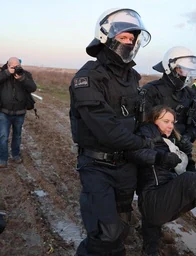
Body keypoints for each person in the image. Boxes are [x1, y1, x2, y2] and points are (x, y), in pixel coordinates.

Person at [69, 8, 154, 256]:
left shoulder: (132, 78)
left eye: (133, 39)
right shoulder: (87, 77)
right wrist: (145, 145)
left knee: (122, 231)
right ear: (106, 36)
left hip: (126, 167)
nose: (129, 42)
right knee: (105, 236)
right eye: (124, 37)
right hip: (97, 168)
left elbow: (143, 118)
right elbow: (106, 129)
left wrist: (151, 134)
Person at [127, 105, 196, 256]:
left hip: (159, 205)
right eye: (166, 121)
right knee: (188, 181)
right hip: (153, 200)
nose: (171, 126)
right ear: (153, 120)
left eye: (173, 122)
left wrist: (187, 155)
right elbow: (135, 152)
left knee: (151, 245)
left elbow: (190, 173)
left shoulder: (170, 142)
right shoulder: (146, 133)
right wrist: (161, 158)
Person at [142, 46, 196, 172]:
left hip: (182, 152)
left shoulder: (190, 94)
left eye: (189, 71)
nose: (186, 75)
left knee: (192, 185)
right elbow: (143, 124)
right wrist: (164, 142)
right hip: (157, 154)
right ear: (171, 68)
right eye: (183, 70)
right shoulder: (151, 90)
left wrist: (187, 138)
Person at [0, 57, 37, 168]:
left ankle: (15, 155)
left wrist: (22, 79)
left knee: (17, 136)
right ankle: (2, 158)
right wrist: (7, 73)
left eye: (18, 66)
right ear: (8, 65)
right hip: (4, 112)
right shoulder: (3, 73)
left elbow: (33, 88)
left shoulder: (25, 74)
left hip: (20, 112)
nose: (16, 68)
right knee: (3, 136)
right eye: (13, 66)